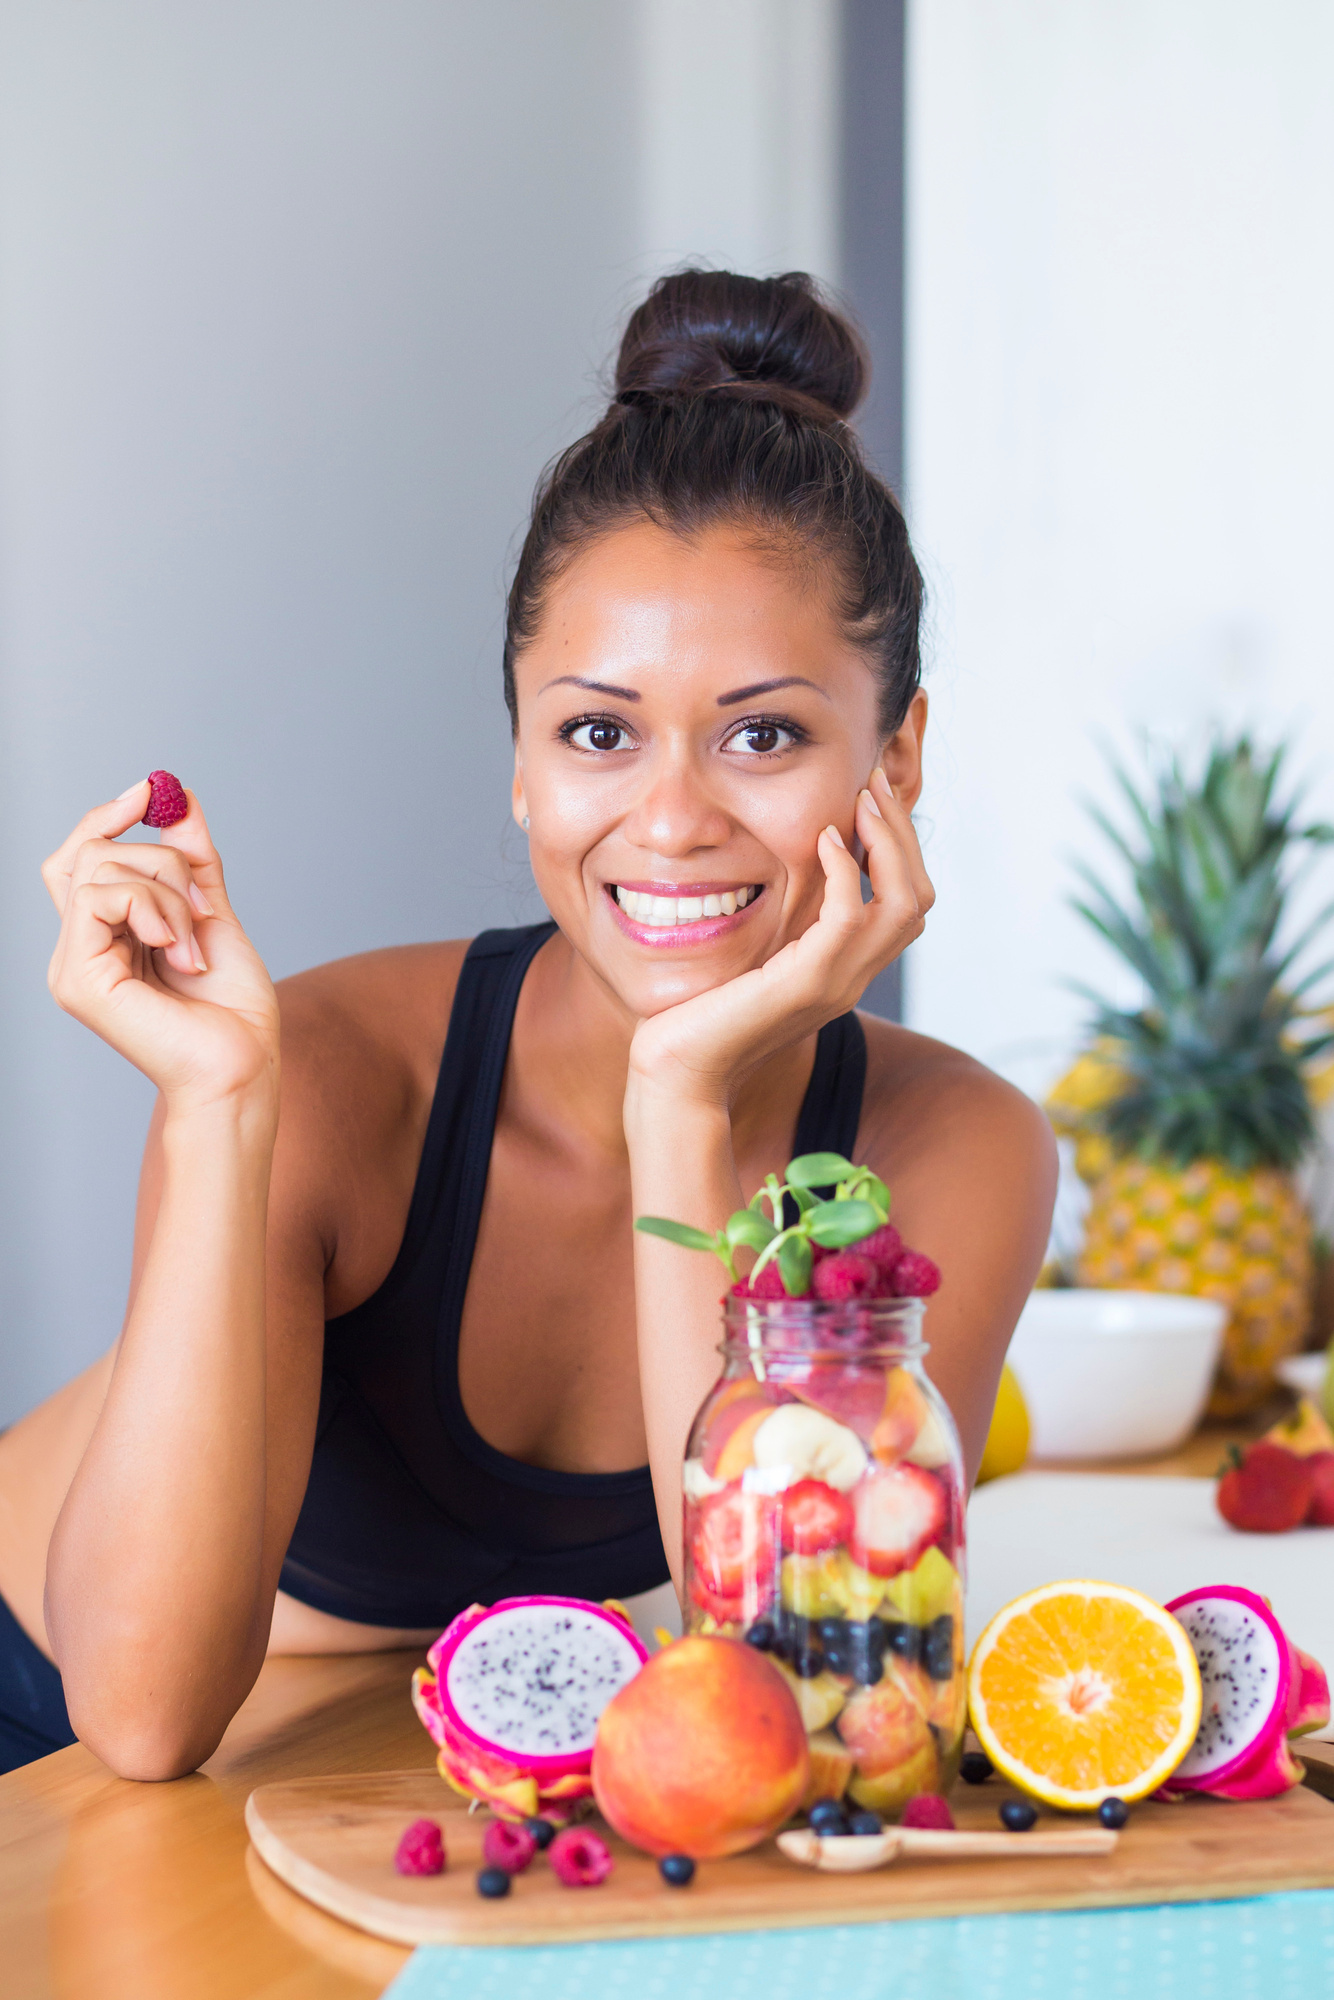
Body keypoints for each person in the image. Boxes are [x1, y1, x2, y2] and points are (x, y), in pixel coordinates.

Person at [0, 271, 1055, 1780]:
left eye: (762, 734)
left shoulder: (949, 1147)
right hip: (63, 1719)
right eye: (597, 732)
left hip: (353, 1754)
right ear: (519, 756)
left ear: (896, 755)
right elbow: (147, 1720)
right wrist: (220, 1105)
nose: (673, 819)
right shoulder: (336, 1081)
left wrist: (677, 1102)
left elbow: (792, 1693)